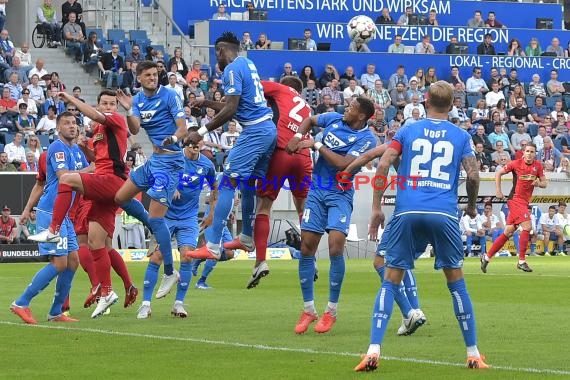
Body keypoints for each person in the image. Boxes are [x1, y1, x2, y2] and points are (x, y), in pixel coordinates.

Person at [351, 81, 487, 372]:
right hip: (444, 213)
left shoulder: (407, 130)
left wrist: (376, 208)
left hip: (408, 211)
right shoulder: (461, 135)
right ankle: (473, 353)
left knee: (390, 279)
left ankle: (373, 350)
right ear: (452, 106)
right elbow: (473, 176)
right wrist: (472, 206)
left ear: (425, 101)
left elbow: (385, 163)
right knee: (457, 285)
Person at [28, 90, 138, 318]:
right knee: (97, 243)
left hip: (109, 181)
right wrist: (86, 147)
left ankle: (53, 230)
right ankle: (108, 291)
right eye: (104, 103)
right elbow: (98, 156)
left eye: (111, 103)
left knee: (66, 179)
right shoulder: (95, 133)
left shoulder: (113, 119)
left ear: (115, 108)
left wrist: (72, 100)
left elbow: (116, 135)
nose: (107, 106)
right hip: (101, 189)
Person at [284, 96, 376, 335]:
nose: (347, 108)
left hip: (340, 195)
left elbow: (343, 163)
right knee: (306, 248)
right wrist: (297, 137)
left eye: (353, 107)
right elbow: (310, 119)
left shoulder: (367, 139)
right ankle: (308, 310)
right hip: (316, 192)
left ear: (362, 116)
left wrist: (315, 144)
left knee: (335, 247)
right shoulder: (334, 119)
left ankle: (331, 311)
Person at [184, 32, 277, 263]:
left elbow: (232, 109)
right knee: (247, 183)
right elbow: (235, 104)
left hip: (254, 132)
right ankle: (246, 236)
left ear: (221, 50)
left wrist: (201, 131)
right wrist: (206, 102)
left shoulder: (231, 70)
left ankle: (213, 245)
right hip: (267, 130)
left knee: (227, 181)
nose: (217, 59)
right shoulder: (248, 63)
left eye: (216, 53)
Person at [227, 76, 312, 289]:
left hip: (281, 151)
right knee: (303, 210)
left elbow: (252, 87)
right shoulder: (306, 105)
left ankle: (260, 262)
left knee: (264, 207)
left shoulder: (280, 89)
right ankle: (310, 260)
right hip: (303, 156)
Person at [114, 60, 187, 303]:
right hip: (154, 161)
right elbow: (134, 130)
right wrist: (128, 109)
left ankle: (169, 271)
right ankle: (155, 227)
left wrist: (173, 139)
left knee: (157, 218)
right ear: (139, 78)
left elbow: (182, 128)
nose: (153, 78)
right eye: (148, 75)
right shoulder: (137, 100)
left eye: (155, 74)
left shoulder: (170, 95)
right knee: (121, 198)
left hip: (171, 162)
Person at [10, 111, 80, 324]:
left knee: (73, 261)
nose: (72, 126)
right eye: (66, 123)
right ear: (58, 128)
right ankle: (21, 303)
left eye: (74, 123)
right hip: (50, 213)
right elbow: (64, 178)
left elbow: (41, 183)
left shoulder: (76, 150)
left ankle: (56, 311)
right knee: (59, 263)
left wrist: (25, 210)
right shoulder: (57, 149)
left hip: (64, 215)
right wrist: (93, 169)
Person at [137, 138, 216, 319]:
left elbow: (216, 187)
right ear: (186, 144)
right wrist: (168, 187)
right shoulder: (173, 159)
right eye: (192, 142)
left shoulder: (207, 165)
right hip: (166, 215)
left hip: (188, 218)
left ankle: (178, 304)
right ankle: (145, 304)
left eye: (199, 142)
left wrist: (211, 212)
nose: (196, 146)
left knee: (187, 255)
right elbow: (153, 177)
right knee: (157, 256)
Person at [481, 142, 547, 273]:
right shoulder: (515, 164)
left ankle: (486, 257)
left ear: (535, 154)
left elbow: (545, 183)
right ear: (523, 152)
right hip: (515, 200)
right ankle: (521, 261)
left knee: (508, 232)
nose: (529, 154)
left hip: (524, 202)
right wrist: (498, 190)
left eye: (532, 152)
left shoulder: (538, 166)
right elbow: (498, 173)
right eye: (527, 151)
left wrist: (539, 183)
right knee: (528, 227)